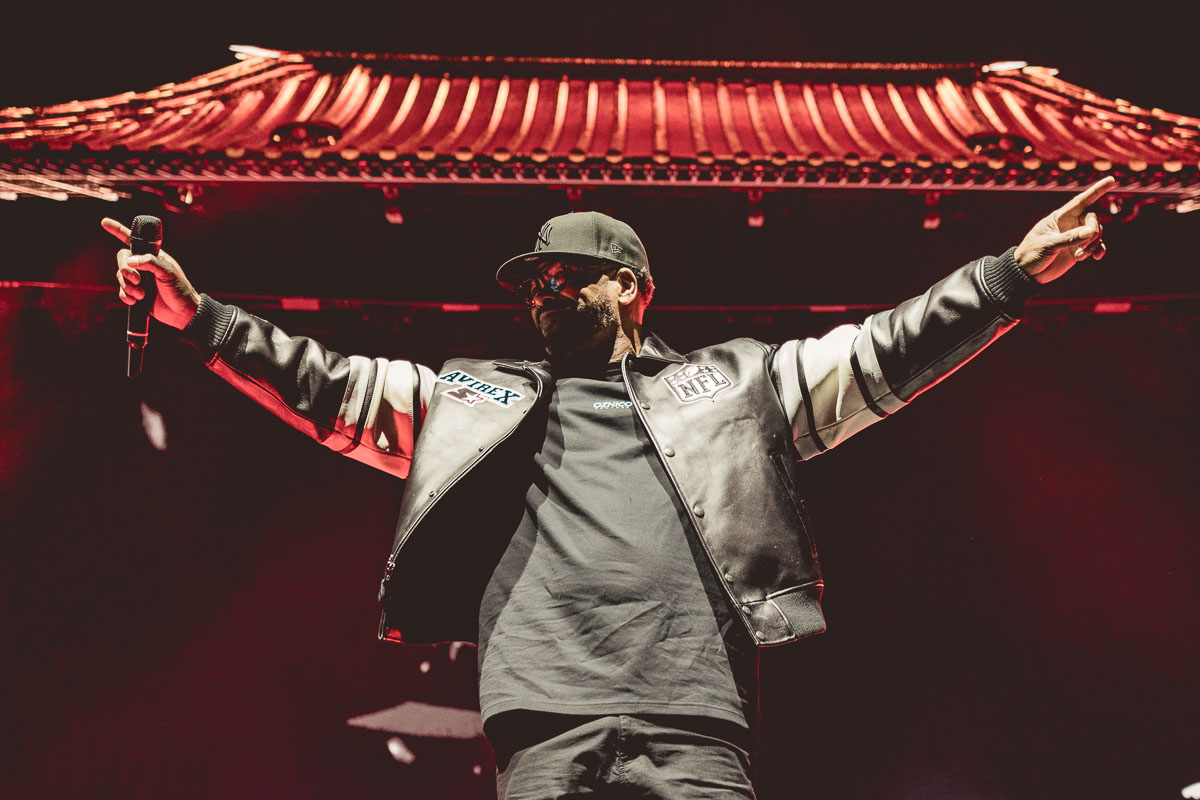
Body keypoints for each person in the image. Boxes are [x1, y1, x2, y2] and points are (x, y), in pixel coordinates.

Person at [105, 176, 1113, 799]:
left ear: (629, 285)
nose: (542, 293)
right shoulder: (475, 397)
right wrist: (202, 319)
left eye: (564, 275)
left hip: (695, 716)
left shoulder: (732, 386)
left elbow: (884, 351)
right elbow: (330, 385)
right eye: (532, 281)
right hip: (543, 716)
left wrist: (1009, 275)